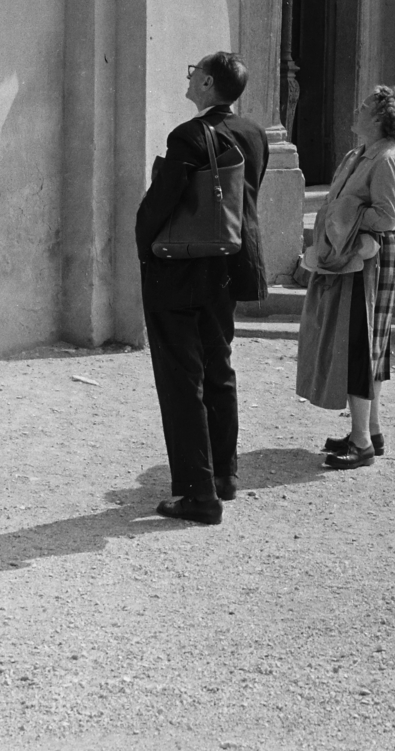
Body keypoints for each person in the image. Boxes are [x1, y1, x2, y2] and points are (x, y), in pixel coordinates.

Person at [135, 53, 268, 525]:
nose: (189, 76)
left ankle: (197, 493)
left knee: (180, 378)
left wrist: (144, 248)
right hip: (228, 268)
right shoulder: (254, 133)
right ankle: (225, 475)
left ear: (208, 82)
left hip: (183, 270)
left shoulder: (188, 136)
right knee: (218, 367)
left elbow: (160, 203)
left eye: (194, 71)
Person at [296, 86, 395, 470]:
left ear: (380, 118)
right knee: (363, 343)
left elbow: (387, 215)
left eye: (364, 106)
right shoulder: (359, 154)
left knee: (361, 346)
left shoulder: (388, 158)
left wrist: (347, 218)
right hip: (352, 255)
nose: (356, 109)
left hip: (370, 257)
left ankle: (361, 443)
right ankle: (371, 432)